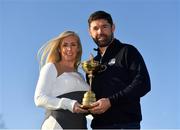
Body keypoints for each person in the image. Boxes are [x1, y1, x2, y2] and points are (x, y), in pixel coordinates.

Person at [87, 10, 151, 129]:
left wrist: (111, 101)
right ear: (90, 32)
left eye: (104, 26)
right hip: (98, 126)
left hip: (125, 125)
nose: (100, 31)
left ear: (113, 27)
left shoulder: (127, 51)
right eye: (95, 28)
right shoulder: (92, 64)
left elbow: (143, 83)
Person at [34, 31, 89, 129]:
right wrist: (70, 104)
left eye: (73, 45)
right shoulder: (52, 67)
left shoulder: (81, 76)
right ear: (59, 49)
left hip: (79, 126)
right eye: (65, 45)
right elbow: (39, 99)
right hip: (57, 124)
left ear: (78, 48)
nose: (69, 49)